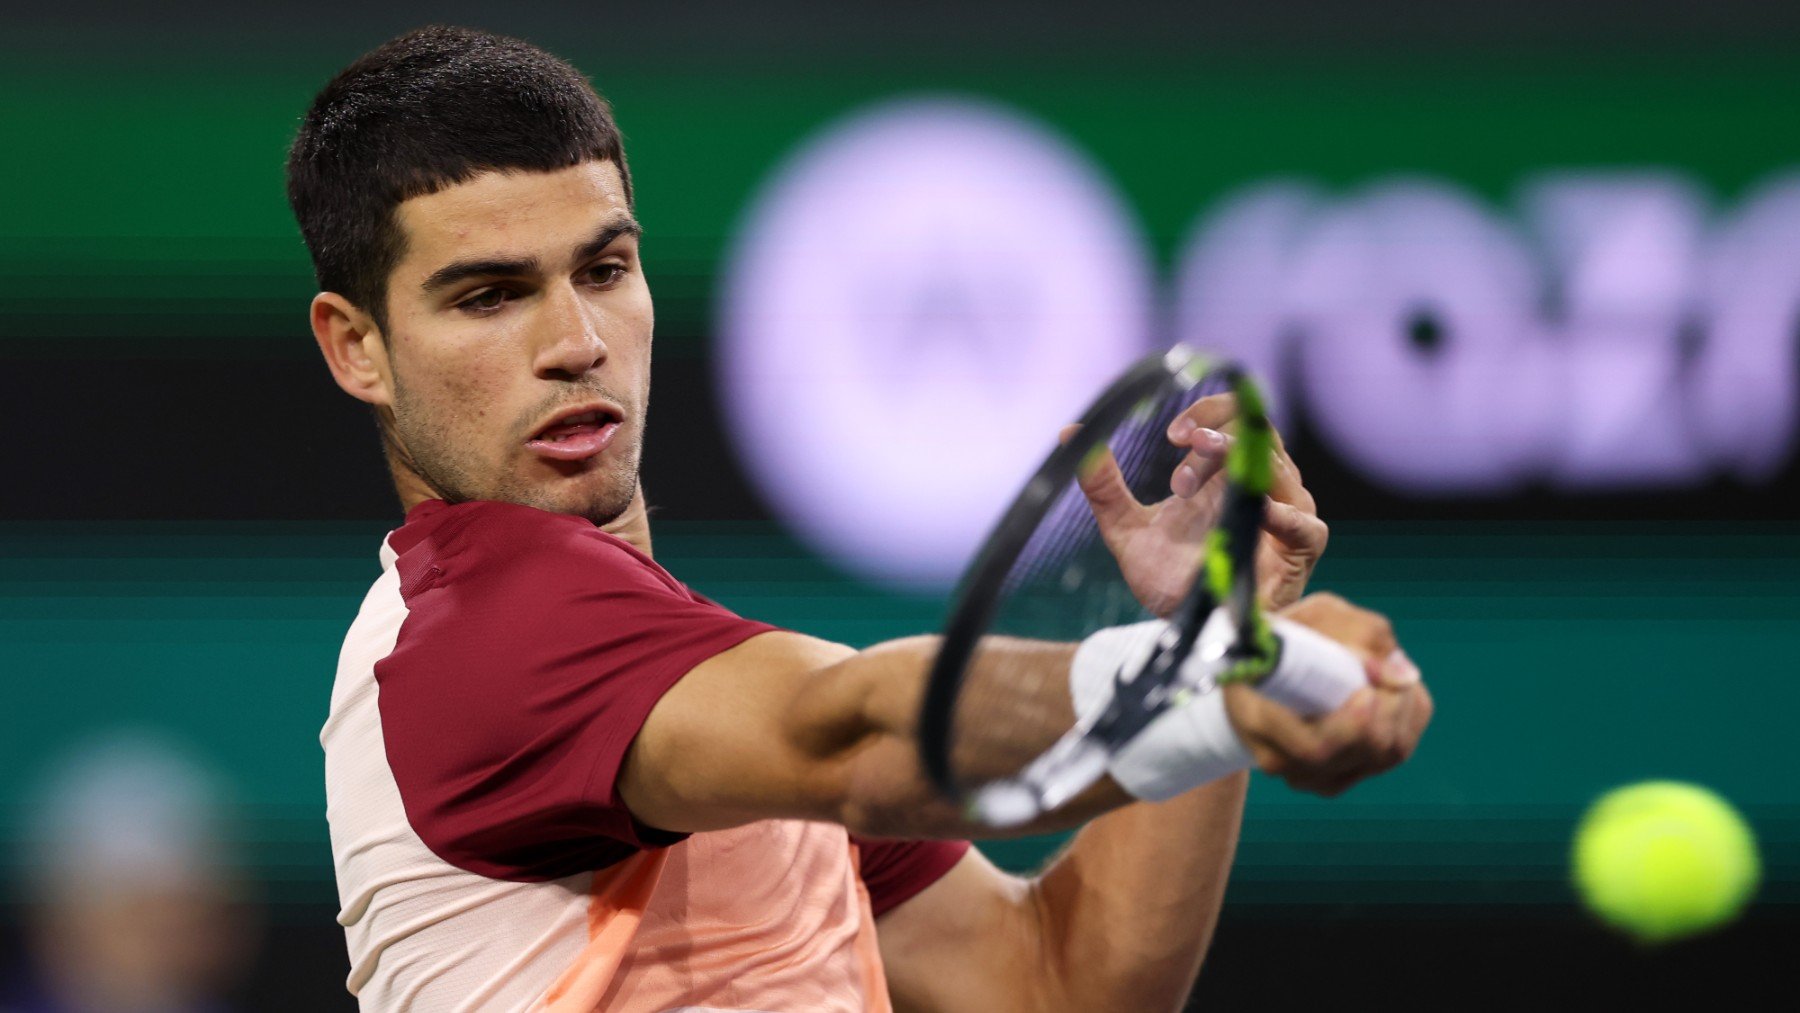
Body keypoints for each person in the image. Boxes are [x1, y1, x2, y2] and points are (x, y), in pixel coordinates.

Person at [293, 26, 1433, 1012]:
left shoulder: (678, 696)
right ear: (357, 346)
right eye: (489, 295)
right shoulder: (486, 626)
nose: (575, 342)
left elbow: (1055, 981)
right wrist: (1213, 677)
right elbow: (859, 728)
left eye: (604, 268)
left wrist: (1205, 621)